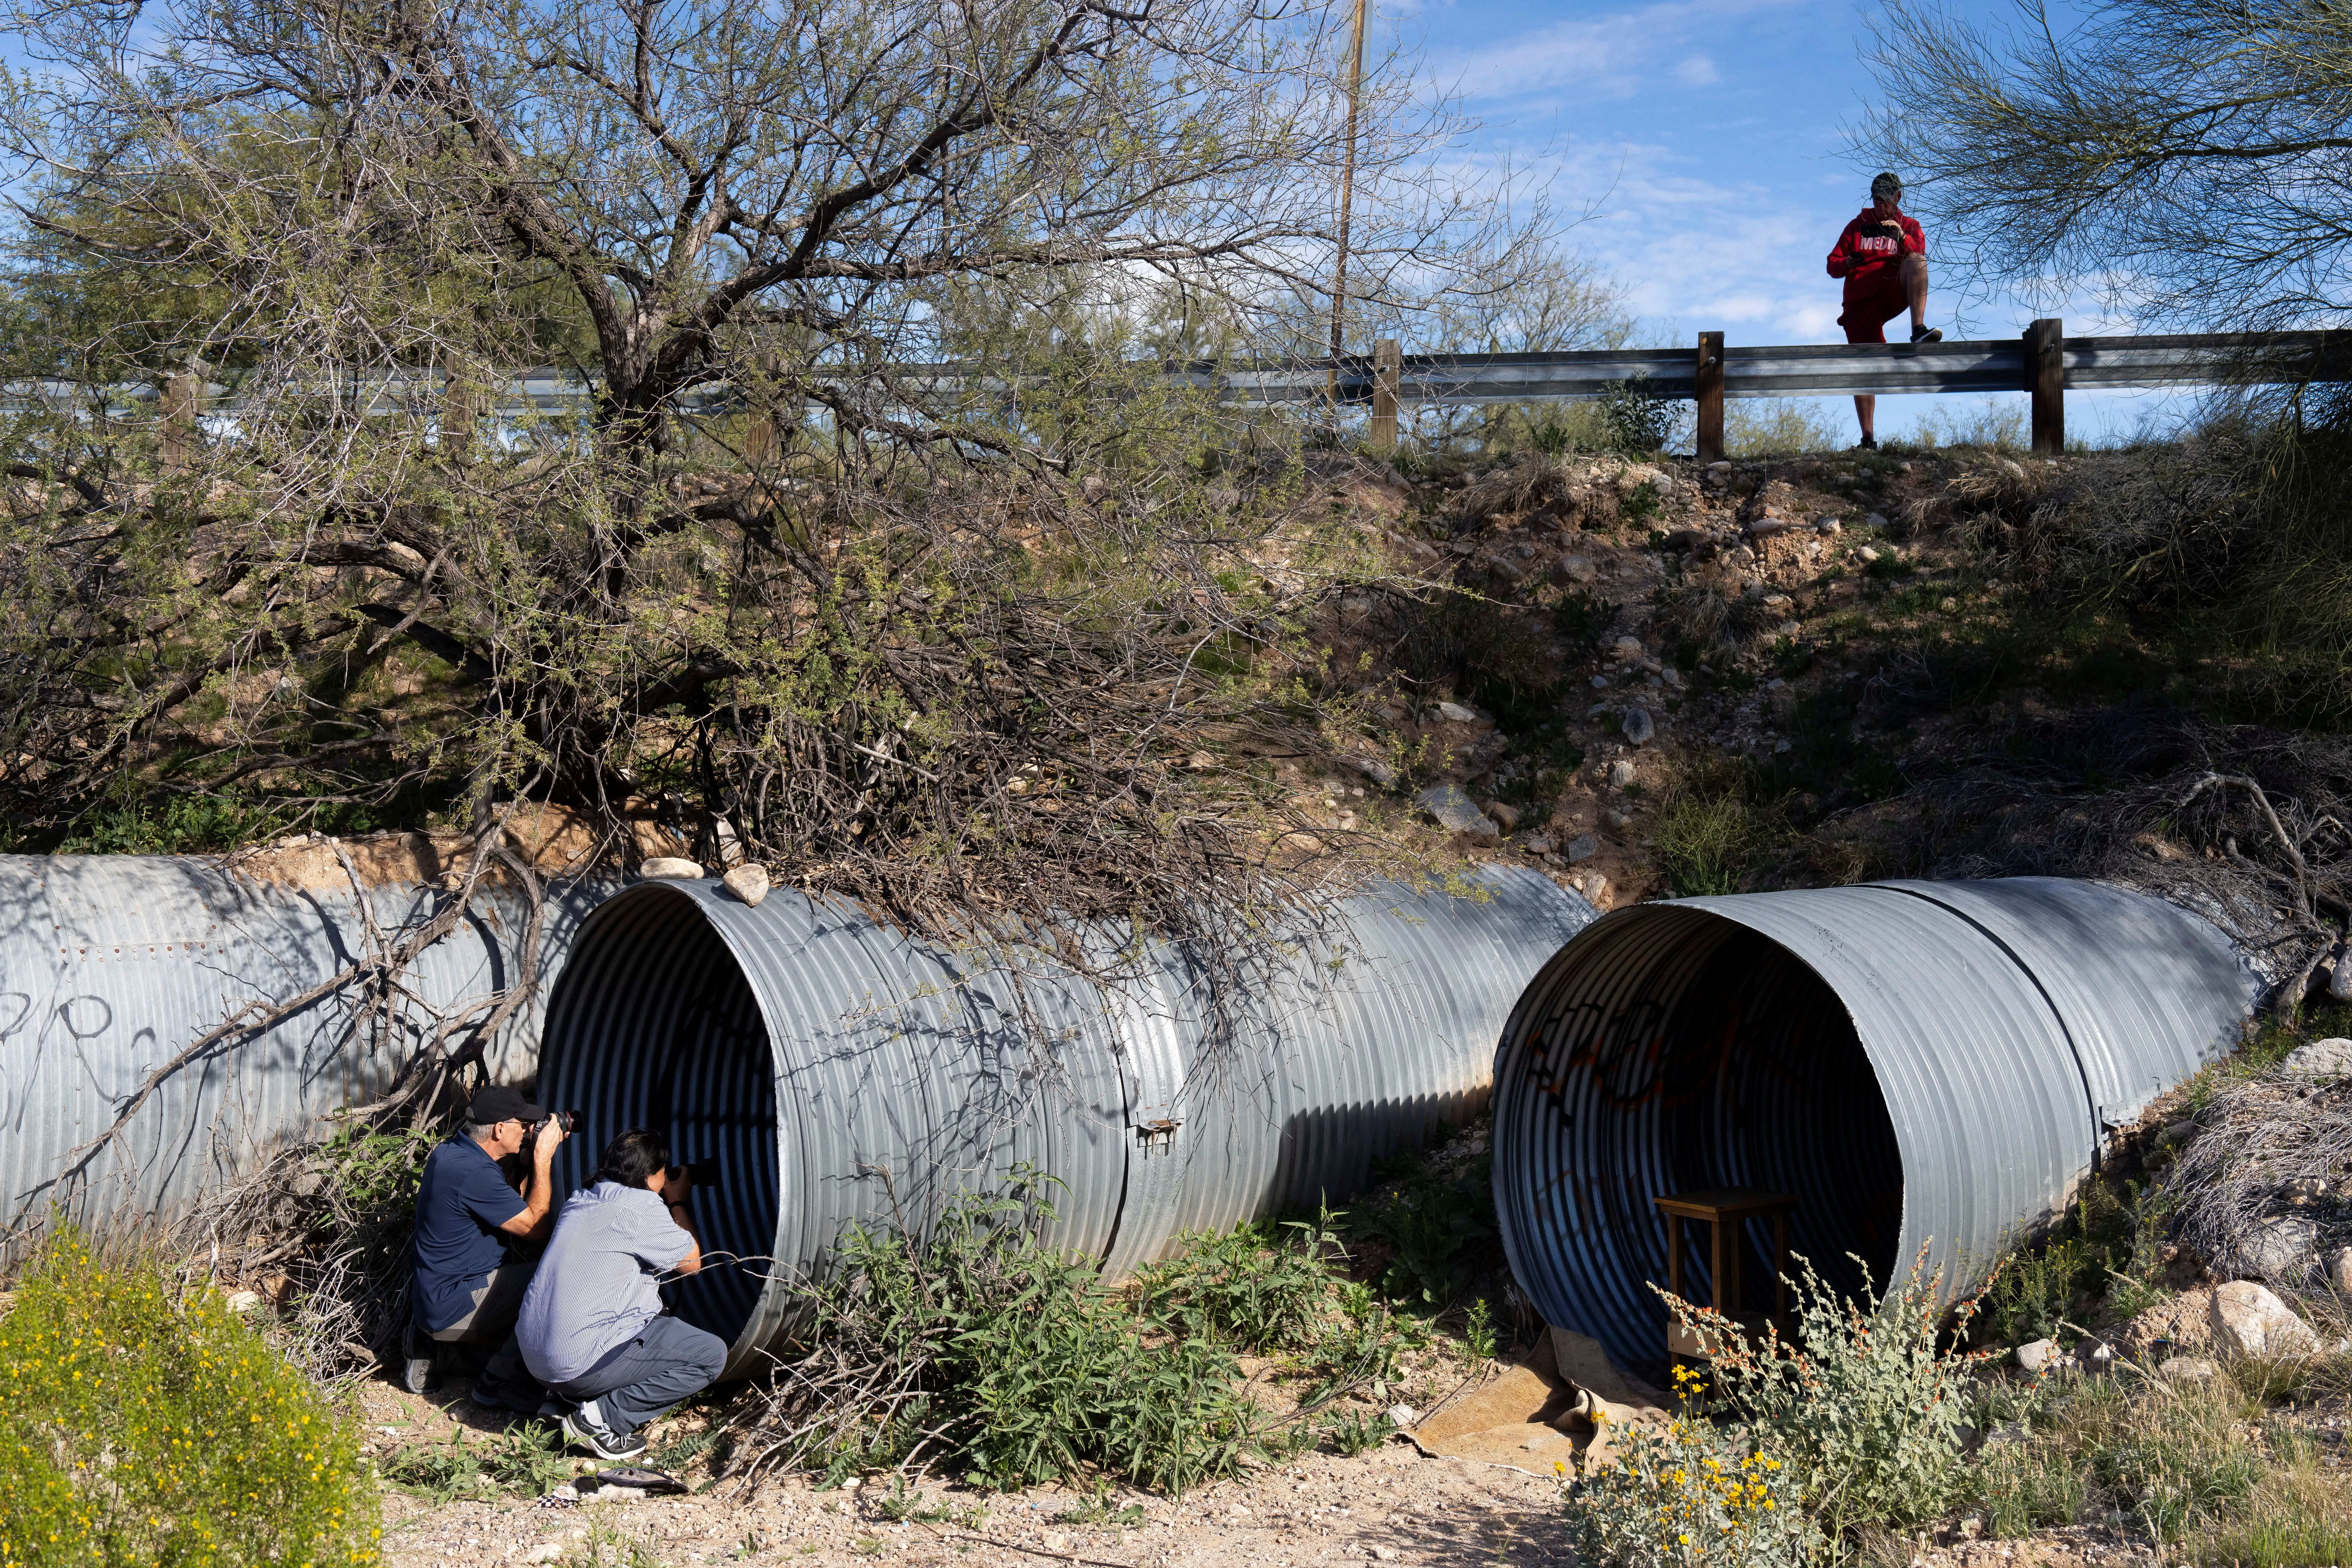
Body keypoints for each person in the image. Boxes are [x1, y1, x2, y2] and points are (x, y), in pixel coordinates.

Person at [517, 1128, 728, 1461]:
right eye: (664, 1171)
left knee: (641, 1306)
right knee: (710, 1355)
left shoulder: (583, 1198)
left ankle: (564, 1402)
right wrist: (677, 1199)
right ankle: (600, 1421)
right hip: (576, 1366)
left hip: (536, 1361)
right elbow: (692, 1264)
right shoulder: (642, 1208)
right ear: (651, 1175)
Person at [402, 1084, 567, 1396]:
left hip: (437, 1298)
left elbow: (507, 1207)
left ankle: (435, 1351)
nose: (528, 1131)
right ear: (499, 1129)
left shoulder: (451, 1153)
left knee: (512, 1335)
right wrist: (543, 1158)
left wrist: (523, 1164)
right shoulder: (474, 1173)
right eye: (523, 1125)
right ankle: (497, 1381)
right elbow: (535, 1229)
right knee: (555, 1277)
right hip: (456, 1305)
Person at [1827, 171, 1942, 449]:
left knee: (1916, 261)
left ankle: (1918, 329)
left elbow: (1919, 252)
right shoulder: (1856, 226)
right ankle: (1867, 439)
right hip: (1860, 302)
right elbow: (1832, 264)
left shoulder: (1909, 225)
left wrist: (1901, 237)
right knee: (1863, 367)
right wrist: (1847, 263)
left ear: (1898, 197)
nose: (1881, 206)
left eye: (1886, 200)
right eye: (1876, 200)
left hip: (1891, 291)